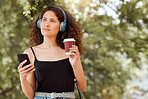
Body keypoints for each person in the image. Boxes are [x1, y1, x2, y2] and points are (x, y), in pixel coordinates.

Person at [18, 6, 86, 99]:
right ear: (39, 23)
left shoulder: (69, 51)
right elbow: (31, 95)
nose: (46, 24)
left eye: (52, 21)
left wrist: (75, 63)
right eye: (44, 20)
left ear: (62, 26)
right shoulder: (30, 53)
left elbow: (82, 88)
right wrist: (23, 79)